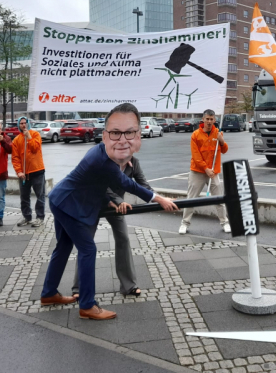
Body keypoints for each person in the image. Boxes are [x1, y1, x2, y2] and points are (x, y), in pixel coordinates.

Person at [41, 103, 178, 320]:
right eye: (115, 133)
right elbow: (129, 185)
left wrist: (109, 200)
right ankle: (87, 305)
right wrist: (159, 198)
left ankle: (49, 293)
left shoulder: (101, 153)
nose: (122, 140)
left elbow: (93, 183)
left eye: (130, 133)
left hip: (62, 200)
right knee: (88, 250)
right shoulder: (102, 159)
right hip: (69, 205)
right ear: (105, 136)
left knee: (64, 246)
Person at [72, 155, 152, 299]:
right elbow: (102, 185)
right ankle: (79, 287)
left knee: (124, 239)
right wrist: (118, 200)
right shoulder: (104, 160)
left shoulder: (134, 162)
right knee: (87, 243)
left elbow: (143, 185)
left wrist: (159, 198)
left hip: (117, 207)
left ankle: (129, 286)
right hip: (93, 202)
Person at [179, 109, 231, 235]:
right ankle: (184, 223)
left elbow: (224, 150)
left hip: (213, 171)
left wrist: (222, 141)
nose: (209, 121)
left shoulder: (217, 133)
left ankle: (225, 222)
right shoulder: (195, 135)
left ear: (214, 120)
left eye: (211, 119)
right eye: (207, 119)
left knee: (219, 198)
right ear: (203, 119)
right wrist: (205, 168)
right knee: (191, 198)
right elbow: (196, 156)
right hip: (198, 171)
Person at [11, 117, 45, 228]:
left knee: (40, 195)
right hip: (24, 174)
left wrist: (29, 137)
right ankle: (27, 216)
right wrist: (19, 171)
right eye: (21, 123)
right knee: (24, 197)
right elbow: (15, 158)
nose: (23, 125)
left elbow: (35, 148)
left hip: (37, 170)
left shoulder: (35, 134)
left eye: (25, 123)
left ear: (28, 124)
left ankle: (40, 217)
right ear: (18, 125)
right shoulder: (16, 140)